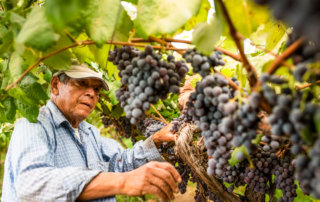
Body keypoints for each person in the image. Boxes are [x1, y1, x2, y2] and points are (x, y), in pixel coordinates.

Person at [1, 60, 181, 201]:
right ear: (55, 85)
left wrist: (156, 139)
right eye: (81, 83)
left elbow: (117, 164)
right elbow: (33, 185)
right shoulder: (33, 126)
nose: (92, 94)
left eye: (96, 89)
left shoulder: (89, 132)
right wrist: (123, 181)